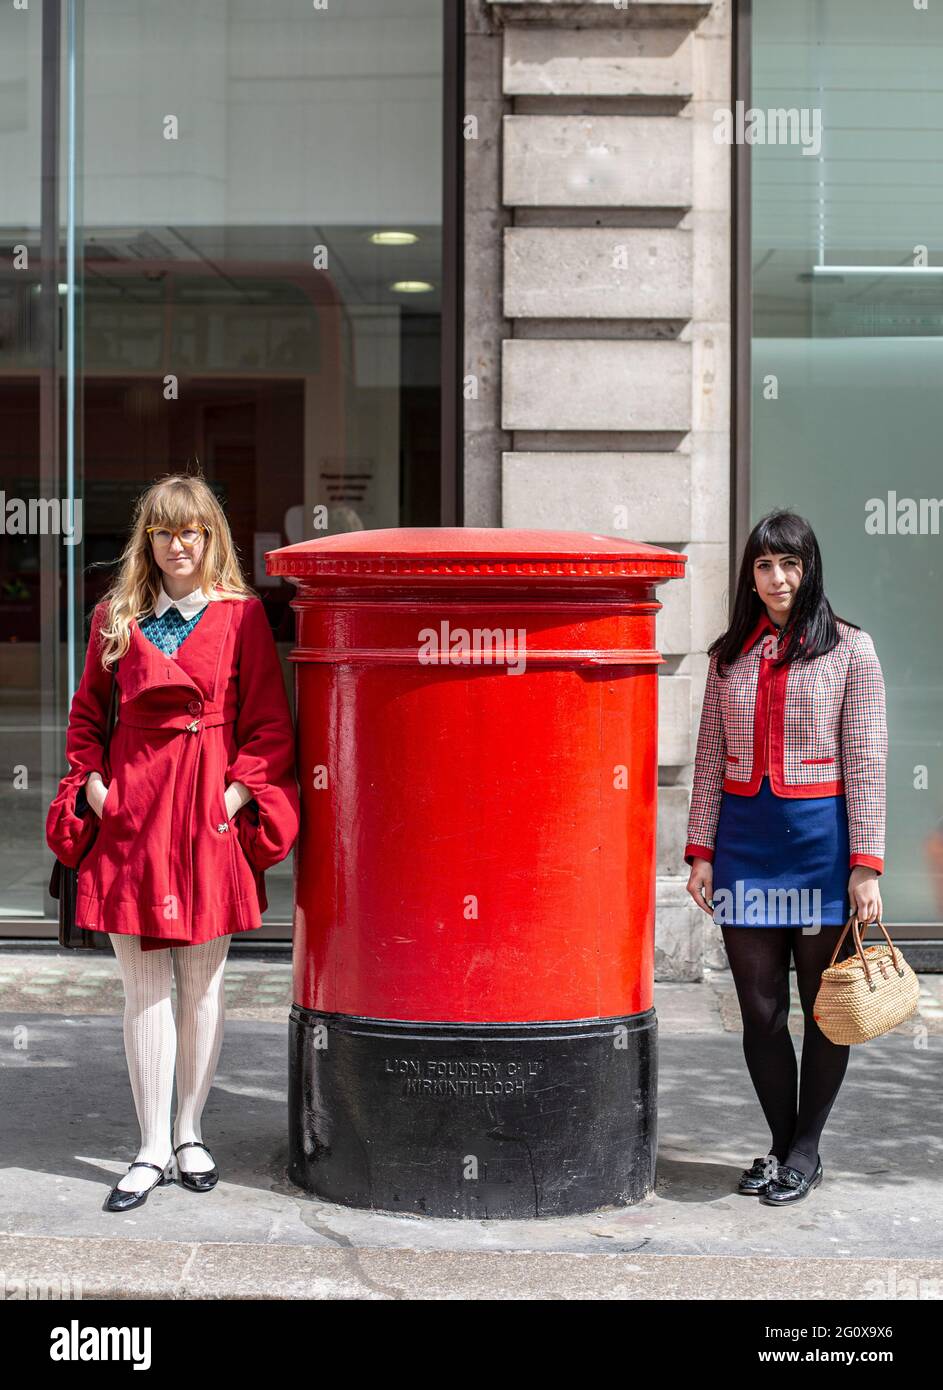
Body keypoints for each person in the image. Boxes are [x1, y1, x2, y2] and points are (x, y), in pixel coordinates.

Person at [45, 472, 300, 1212]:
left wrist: (231, 798)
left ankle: (190, 1131)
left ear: (210, 537)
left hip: (205, 816)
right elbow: (86, 718)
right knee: (144, 991)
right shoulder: (116, 616)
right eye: (162, 531)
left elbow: (267, 724)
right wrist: (97, 790)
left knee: (202, 986)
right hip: (131, 818)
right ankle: (150, 1146)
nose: (177, 545)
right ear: (146, 540)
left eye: (190, 531)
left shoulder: (241, 616)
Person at [684, 509, 887, 1206]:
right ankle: (779, 1144)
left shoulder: (850, 650)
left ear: (809, 569)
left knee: (825, 1008)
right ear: (749, 574)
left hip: (822, 853)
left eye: (789, 564)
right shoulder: (727, 655)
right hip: (744, 849)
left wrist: (866, 865)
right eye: (765, 565)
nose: (777, 578)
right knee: (760, 1012)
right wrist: (700, 852)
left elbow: (865, 760)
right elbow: (709, 757)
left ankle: (805, 1151)